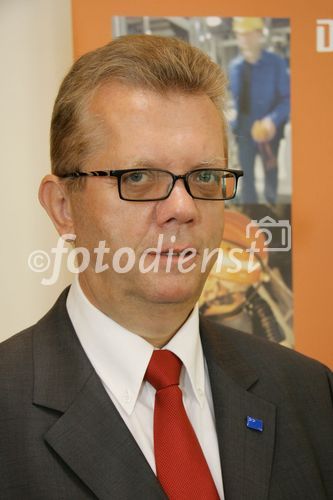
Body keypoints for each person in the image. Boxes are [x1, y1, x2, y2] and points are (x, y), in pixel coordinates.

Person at [0, 35, 332, 500]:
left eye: (204, 177)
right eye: (137, 177)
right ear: (63, 208)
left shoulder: (310, 394)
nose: (183, 206)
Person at [229, 17, 290, 204]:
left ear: (259, 34)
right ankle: (250, 219)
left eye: (248, 34)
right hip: (244, 132)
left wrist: (273, 120)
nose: (244, 39)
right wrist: (232, 122)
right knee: (246, 178)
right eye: (240, 35)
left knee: (270, 175)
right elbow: (237, 101)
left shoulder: (276, 64)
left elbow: (287, 99)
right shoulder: (235, 67)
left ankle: (271, 211)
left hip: (268, 132)